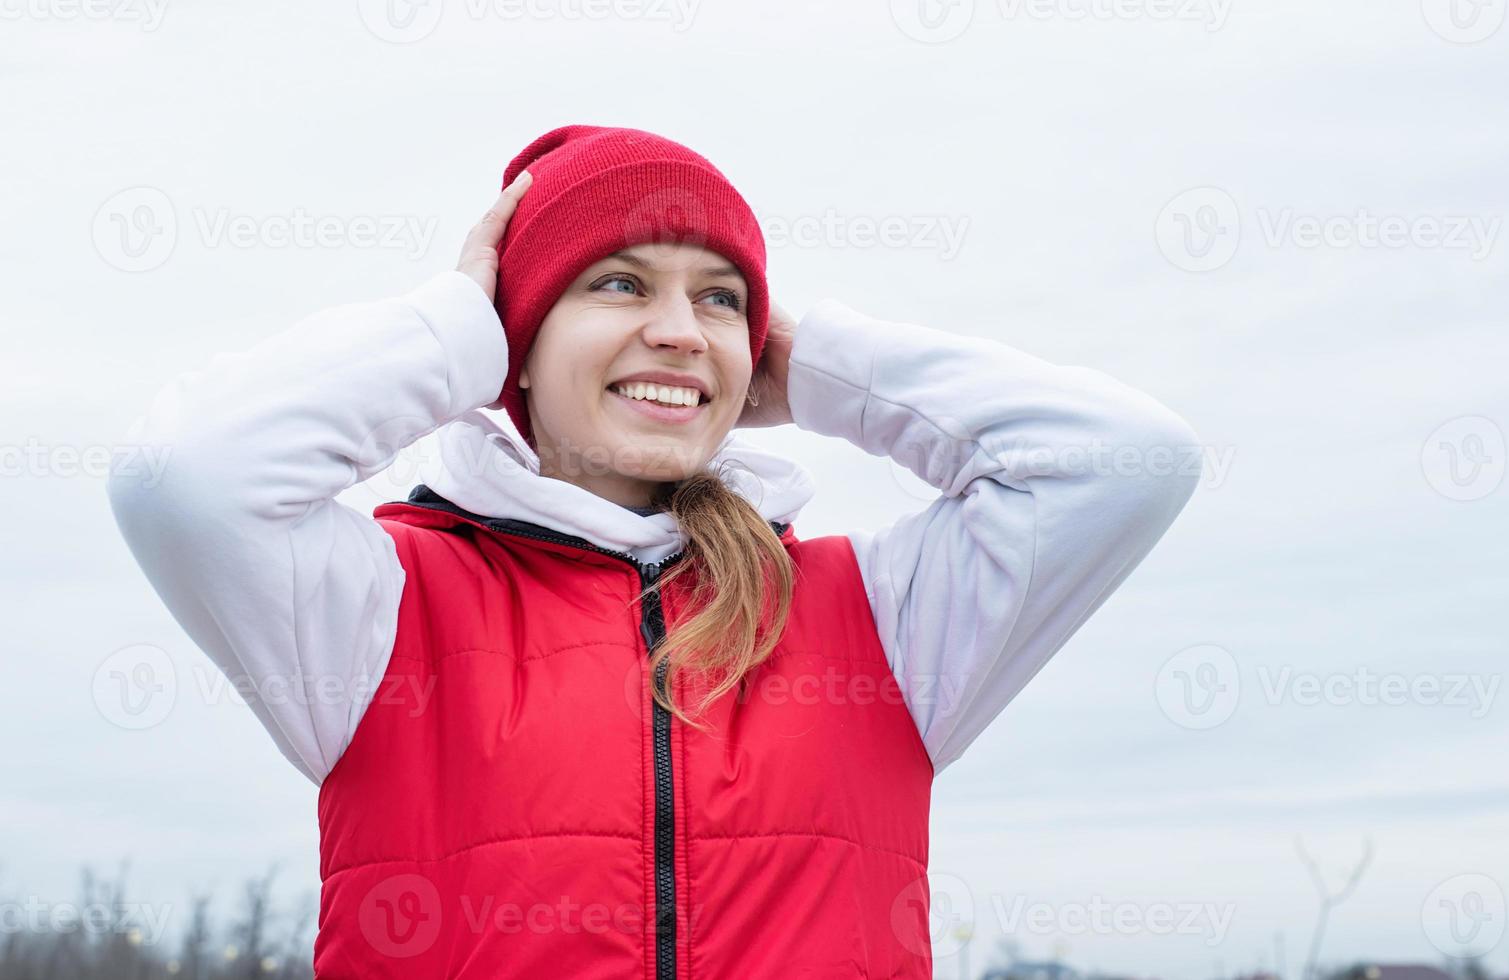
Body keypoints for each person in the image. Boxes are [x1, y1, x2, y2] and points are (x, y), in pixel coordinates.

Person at [106, 124, 1202, 979]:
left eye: (718, 299)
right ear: (515, 345)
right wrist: (450, 333)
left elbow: (1125, 458)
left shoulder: (881, 614)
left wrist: (820, 363)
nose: (680, 328)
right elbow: (189, 474)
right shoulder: (380, 605)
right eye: (619, 282)